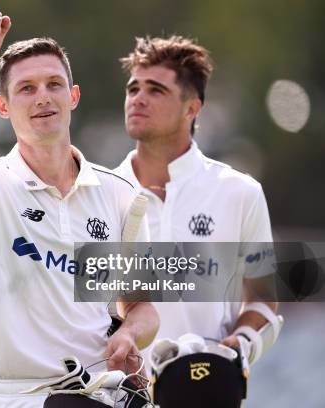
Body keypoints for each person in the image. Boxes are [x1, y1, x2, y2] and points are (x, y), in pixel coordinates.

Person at [0, 10, 159, 408]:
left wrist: (128, 335)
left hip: (98, 393)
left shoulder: (118, 194)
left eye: (54, 84)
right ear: (3, 106)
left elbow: (141, 306)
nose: (42, 97)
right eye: (26, 88)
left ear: (73, 96)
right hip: (11, 398)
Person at [114, 36, 281, 405]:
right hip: (115, 398)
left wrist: (239, 346)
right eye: (133, 88)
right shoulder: (99, 192)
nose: (137, 98)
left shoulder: (240, 192)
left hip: (207, 393)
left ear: (192, 108)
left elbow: (264, 302)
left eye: (155, 90)